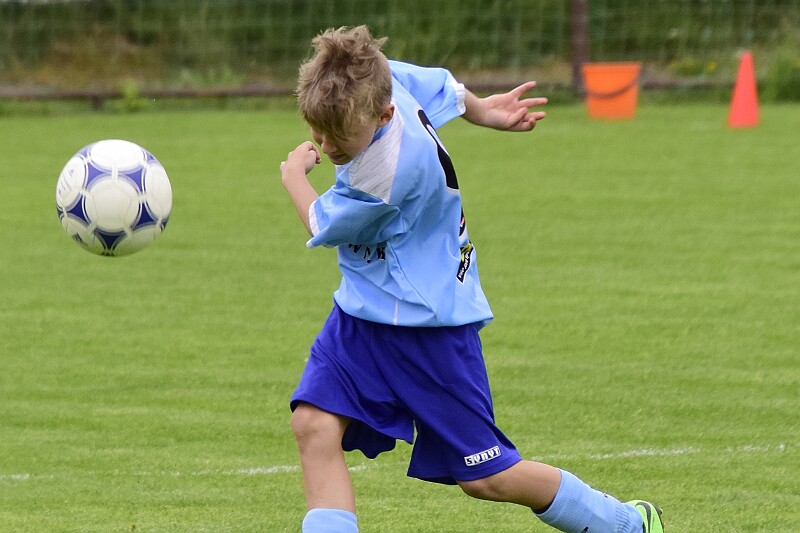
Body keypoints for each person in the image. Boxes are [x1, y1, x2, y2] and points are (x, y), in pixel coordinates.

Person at [279, 25, 665, 533]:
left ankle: (626, 524)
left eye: (339, 136)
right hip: (362, 314)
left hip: (427, 327)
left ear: (384, 114)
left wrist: (293, 175)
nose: (327, 145)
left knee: (487, 476)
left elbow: (322, 224)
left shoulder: (384, 177)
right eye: (317, 132)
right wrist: (483, 111)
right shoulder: (381, 78)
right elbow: (440, 83)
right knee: (313, 424)